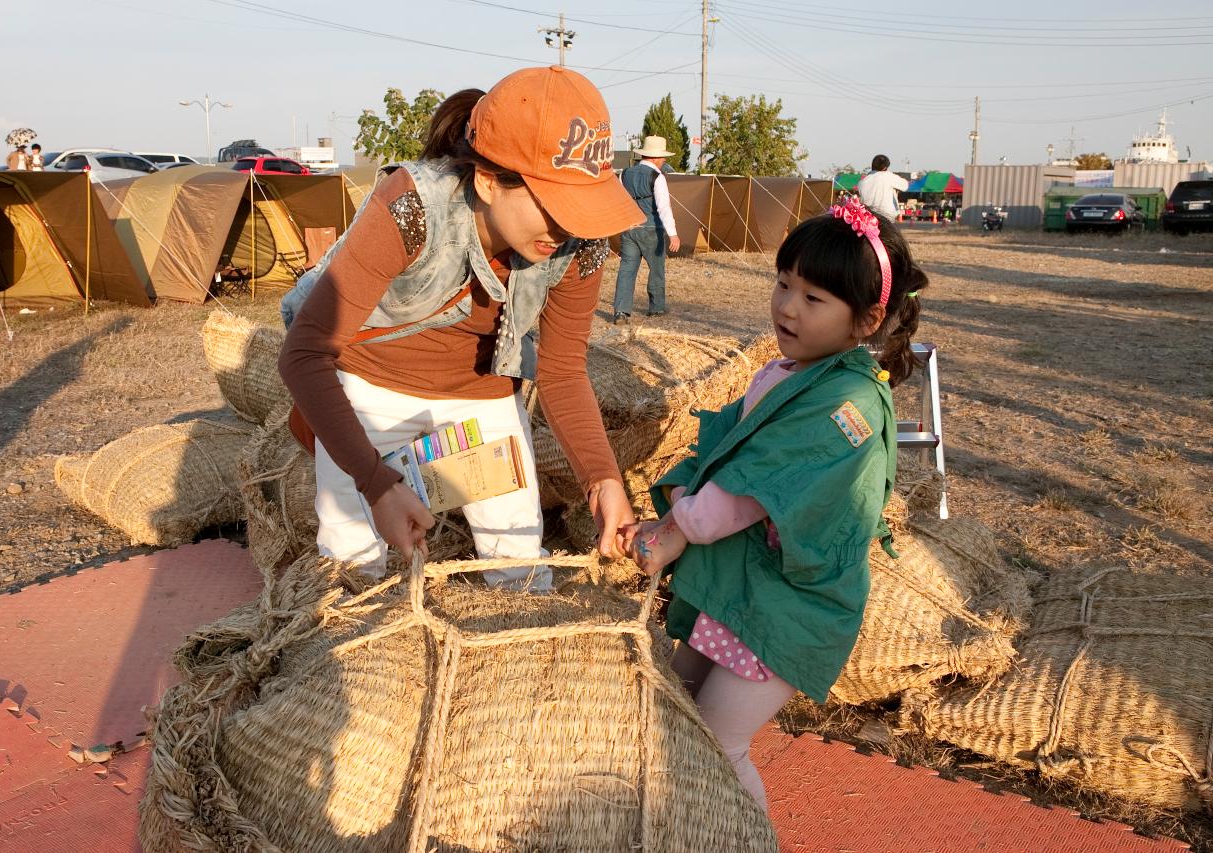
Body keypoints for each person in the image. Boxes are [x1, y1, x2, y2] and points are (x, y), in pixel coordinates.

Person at [278, 66, 644, 590]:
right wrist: (377, 483)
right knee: (352, 570)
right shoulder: (411, 206)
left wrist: (602, 476)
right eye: (556, 207)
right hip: (369, 393)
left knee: (517, 568)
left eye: (581, 207)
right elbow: (304, 355)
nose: (569, 228)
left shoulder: (580, 243)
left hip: (482, 399)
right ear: (490, 181)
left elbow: (562, 370)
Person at [626, 196, 928, 809]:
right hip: (747, 592)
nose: (788, 306)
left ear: (866, 320)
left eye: (814, 298)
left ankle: (746, 836)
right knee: (673, 707)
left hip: (790, 607)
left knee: (715, 742)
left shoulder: (847, 407)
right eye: (784, 283)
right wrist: (678, 512)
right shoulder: (789, 371)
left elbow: (754, 484)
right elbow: (728, 450)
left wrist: (676, 527)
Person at [612, 135, 681, 325]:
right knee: (656, 269)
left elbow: (619, 202)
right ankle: (656, 308)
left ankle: (621, 312)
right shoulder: (657, 177)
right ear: (656, 157)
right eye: (663, 157)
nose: (665, 160)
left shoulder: (624, 174)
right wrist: (673, 233)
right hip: (652, 229)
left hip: (629, 228)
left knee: (626, 269)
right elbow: (663, 207)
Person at [856, 154, 908, 221]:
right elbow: (905, 186)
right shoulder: (888, 176)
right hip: (887, 219)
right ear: (885, 168)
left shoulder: (862, 182)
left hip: (869, 219)